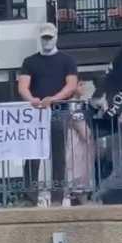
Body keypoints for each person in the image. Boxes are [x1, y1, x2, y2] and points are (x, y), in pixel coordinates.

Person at [18, 22, 78, 207]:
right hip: (36, 114)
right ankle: (30, 196)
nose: (46, 41)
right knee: (32, 154)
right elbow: (22, 86)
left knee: (58, 155)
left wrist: (54, 99)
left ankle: (58, 197)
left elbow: (71, 86)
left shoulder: (67, 60)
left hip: (59, 111)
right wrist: (32, 99)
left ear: (55, 37)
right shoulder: (30, 61)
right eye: (44, 38)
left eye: (49, 38)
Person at [65, 80, 96, 206]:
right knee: (77, 169)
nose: (83, 87)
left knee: (81, 170)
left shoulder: (81, 104)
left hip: (80, 142)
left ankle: (81, 198)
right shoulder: (72, 104)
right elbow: (79, 125)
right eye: (80, 84)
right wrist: (88, 137)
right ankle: (81, 199)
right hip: (75, 141)